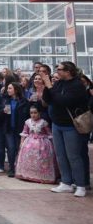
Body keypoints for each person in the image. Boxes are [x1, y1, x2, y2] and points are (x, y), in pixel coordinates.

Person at [42, 61, 90, 197]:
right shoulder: (59, 83)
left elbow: (63, 101)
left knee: (74, 156)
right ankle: (66, 182)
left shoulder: (77, 85)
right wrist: (47, 86)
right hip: (57, 124)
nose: (57, 71)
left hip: (71, 125)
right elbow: (49, 99)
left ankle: (80, 184)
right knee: (61, 155)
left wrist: (50, 86)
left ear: (68, 72)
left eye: (60, 69)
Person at [15, 104, 58, 184]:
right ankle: (27, 174)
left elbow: (49, 134)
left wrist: (52, 144)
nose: (33, 115)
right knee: (28, 157)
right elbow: (24, 132)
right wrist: (22, 143)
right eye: (31, 113)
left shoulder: (43, 122)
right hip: (29, 142)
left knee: (42, 159)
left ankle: (41, 176)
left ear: (39, 113)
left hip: (42, 143)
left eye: (35, 113)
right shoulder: (28, 122)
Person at [0, 82, 30, 177]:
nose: (7, 90)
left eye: (10, 88)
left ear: (16, 90)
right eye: (8, 88)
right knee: (11, 148)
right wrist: (2, 111)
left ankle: (20, 167)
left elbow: (27, 115)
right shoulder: (6, 100)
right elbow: (0, 114)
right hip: (9, 128)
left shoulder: (24, 101)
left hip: (20, 129)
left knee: (20, 148)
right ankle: (12, 168)